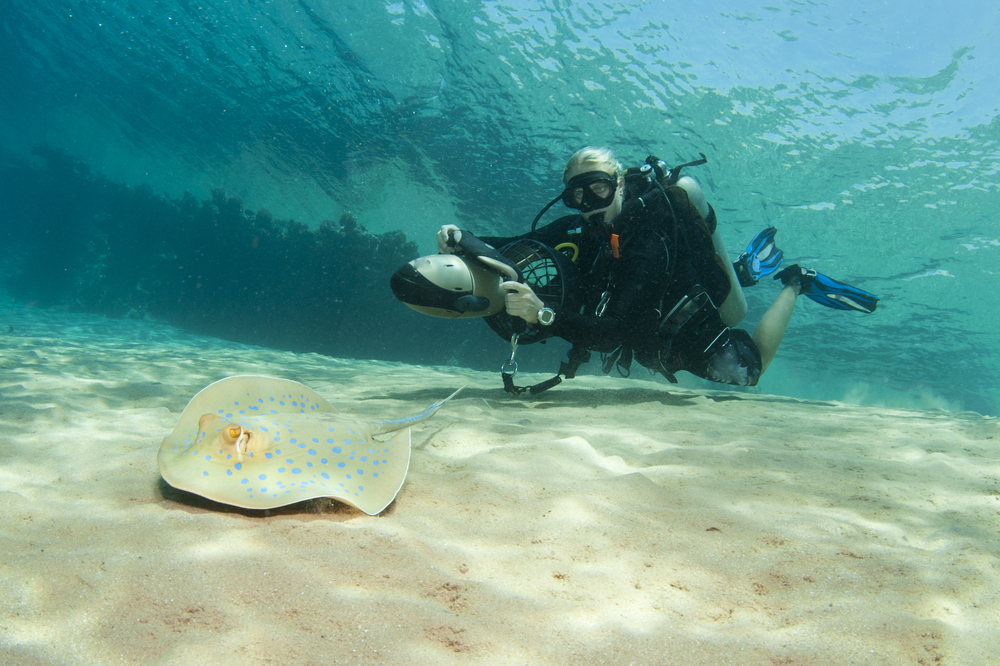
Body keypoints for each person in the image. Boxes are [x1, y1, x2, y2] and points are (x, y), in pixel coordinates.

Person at [435, 146, 876, 387]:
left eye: (598, 191)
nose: (588, 207)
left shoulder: (646, 243)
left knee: (749, 369)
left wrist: (542, 314)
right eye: (577, 197)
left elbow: (614, 332)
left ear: (620, 185)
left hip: (686, 320)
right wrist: (465, 240)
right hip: (661, 309)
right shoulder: (578, 227)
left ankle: (796, 283)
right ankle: (739, 271)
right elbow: (517, 245)